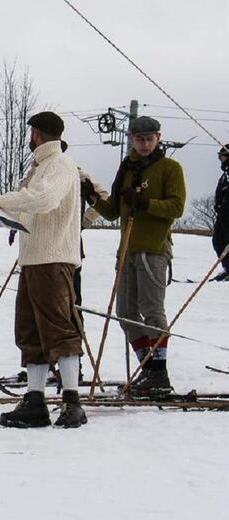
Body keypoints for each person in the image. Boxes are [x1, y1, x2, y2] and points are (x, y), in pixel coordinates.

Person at [0, 111, 87, 428]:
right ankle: (35, 400)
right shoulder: (41, 167)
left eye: (31, 131)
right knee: (30, 331)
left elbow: (44, 200)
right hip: (33, 259)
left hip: (53, 258)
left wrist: (1, 200)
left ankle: (72, 401)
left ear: (37, 134)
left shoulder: (59, 165)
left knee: (60, 329)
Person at [86, 116, 185, 398]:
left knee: (152, 312)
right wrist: (92, 197)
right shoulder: (127, 169)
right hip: (126, 250)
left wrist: (145, 203)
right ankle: (149, 366)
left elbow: (176, 207)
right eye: (139, 139)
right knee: (126, 313)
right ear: (131, 138)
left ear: (158, 138)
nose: (144, 144)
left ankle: (160, 374)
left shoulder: (169, 168)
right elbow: (113, 211)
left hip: (153, 249)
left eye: (149, 139)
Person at [213, 145, 229, 281]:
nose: (220, 160)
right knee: (218, 241)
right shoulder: (226, 173)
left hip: (227, 215)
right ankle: (227, 268)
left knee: (225, 242)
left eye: (222, 156)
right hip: (222, 215)